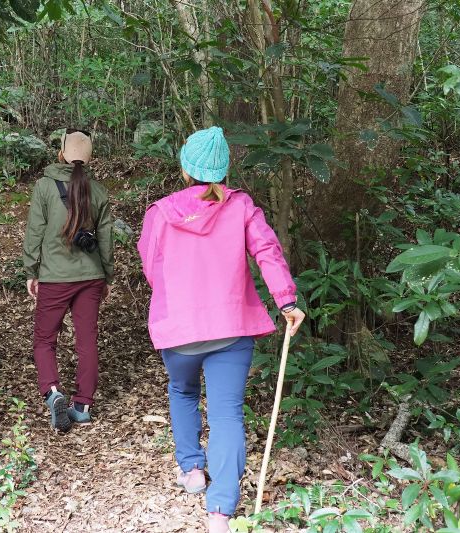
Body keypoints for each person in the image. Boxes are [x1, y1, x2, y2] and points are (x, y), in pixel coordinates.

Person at [137, 126, 305, 533]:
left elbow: (150, 267)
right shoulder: (242, 206)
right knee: (227, 412)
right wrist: (287, 300)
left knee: (182, 391)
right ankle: (220, 512)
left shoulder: (160, 212)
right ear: (225, 170)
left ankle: (192, 469)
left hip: (180, 328)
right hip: (230, 327)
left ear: (185, 169)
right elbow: (267, 250)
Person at [22, 129, 114, 432]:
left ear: (60, 154)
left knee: (45, 340)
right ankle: (82, 406)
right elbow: (106, 240)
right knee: (87, 341)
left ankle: (52, 392)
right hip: (90, 277)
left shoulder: (45, 187)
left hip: (55, 277)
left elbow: (35, 231)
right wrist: (107, 276)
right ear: (89, 159)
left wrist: (31, 271)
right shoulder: (98, 191)